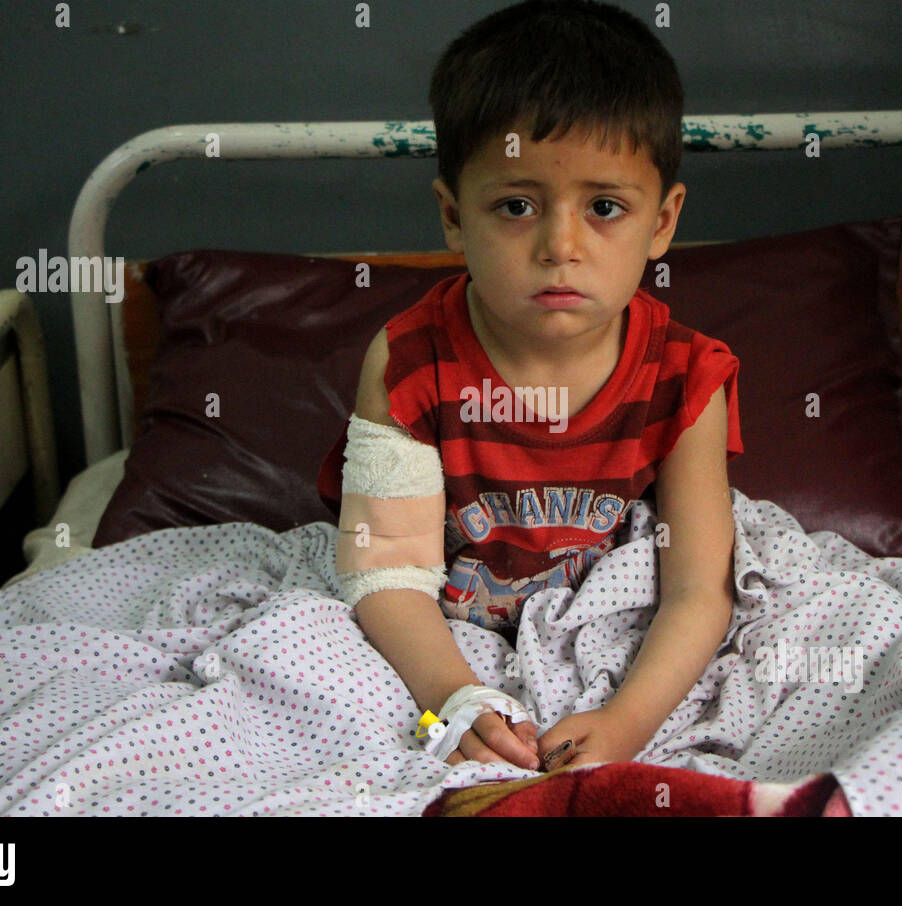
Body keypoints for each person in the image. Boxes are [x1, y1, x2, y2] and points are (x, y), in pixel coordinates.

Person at [316, 0, 742, 772]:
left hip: (615, 623)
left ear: (663, 222)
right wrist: (459, 697)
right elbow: (386, 572)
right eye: (516, 206)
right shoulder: (410, 362)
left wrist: (624, 725)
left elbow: (697, 593)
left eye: (605, 207)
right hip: (435, 622)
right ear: (453, 216)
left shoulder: (686, 377)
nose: (560, 246)